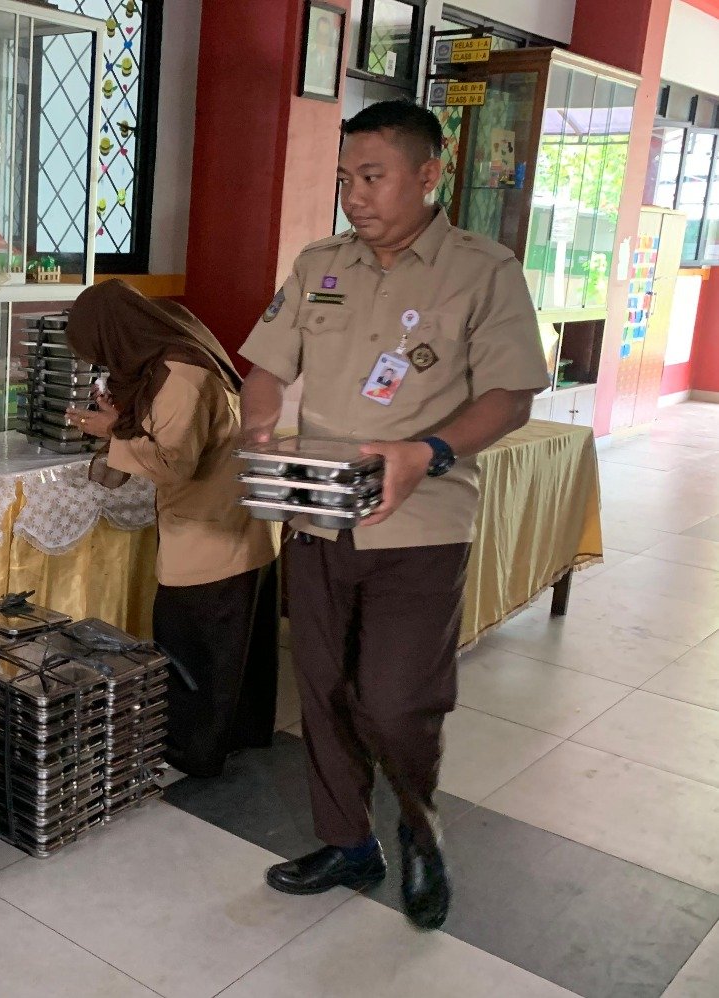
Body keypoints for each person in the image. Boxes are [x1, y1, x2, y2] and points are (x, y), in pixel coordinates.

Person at [238, 99, 548, 929]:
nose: (355, 196)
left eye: (372, 177)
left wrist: (426, 453)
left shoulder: (483, 271)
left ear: (428, 174)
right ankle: (347, 843)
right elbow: (265, 365)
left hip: (421, 520)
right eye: (345, 179)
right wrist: (259, 417)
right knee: (325, 690)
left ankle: (419, 827)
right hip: (317, 512)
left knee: (396, 699)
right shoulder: (319, 264)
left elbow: (510, 399)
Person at [64, 279, 277, 778]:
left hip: (212, 531)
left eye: (100, 353)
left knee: (194, 646)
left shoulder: (180, 375)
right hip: (233, 525)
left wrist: (112, 430)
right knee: (234, 646)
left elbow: (174, 462)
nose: (104, 364)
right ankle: (237, 734)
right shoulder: (173, 348)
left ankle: (194, 750)